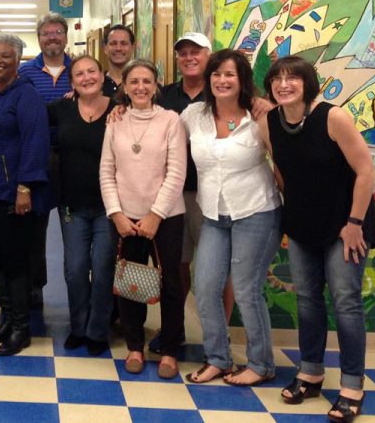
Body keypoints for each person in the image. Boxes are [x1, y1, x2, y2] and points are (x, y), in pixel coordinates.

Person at [258, 56, 375, 422]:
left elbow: (365, 169)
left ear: (308, 82)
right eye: (277, 78)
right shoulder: (270, 123)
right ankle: (310, 373)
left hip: (345, 226)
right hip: (303, 224)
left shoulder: (332, 116)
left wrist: (355, 221)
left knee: (346, 302)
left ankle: (352, 386)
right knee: (308, 300)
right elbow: (282, 169)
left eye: (293, 77)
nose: (284, 84)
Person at [180, 50, 281, 386]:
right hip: (213, 214)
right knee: (205, 287)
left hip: (256, 212)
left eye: (229, 74)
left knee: (246, 289)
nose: (222, 81)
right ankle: (219, 359)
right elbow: (158, 130)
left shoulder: (260, 116)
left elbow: (281, 165)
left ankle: (261, 363)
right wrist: (121, 106)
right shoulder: (194, 114)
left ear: (242, 80)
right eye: (216, 74)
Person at [100, 59, 187, 379]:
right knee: (129, 284)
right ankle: (135, 345)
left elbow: (177, 172)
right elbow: (106, 171)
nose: (140, 87)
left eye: (146, 81)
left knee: (172, 285)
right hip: (125, 216)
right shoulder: (115, 121)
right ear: (123, 86)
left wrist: (155, 215)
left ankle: (170, 349)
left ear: (156, 85)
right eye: (134, 82)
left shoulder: (171, 121)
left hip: (165, 217)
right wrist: (116, 214)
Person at [0, 34, 51, 356]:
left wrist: (24, 187)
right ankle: (6, 320)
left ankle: (21, 327)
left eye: (7, 56)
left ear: (19, 61)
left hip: (12, 193)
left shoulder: (26, 96)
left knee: (16, 262)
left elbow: (36, 142)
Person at [156, 32, 232, 352]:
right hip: (173, 192)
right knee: (176, 265)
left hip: (213, 194)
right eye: (183, 52)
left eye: (195, 52)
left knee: (218, 269)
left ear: (208, 56)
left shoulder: (222, 93)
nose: (188, 57)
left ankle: (220, 338)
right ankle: (174, 329)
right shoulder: (165, 95)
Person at [47, 54, 115, 355]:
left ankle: (97, 331)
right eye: (79, 74)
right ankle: (78, 326)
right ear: (71, 82)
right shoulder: (61, 108)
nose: (86, 78)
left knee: (102, 270)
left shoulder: (119, 110)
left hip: (110, 207)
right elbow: (28, 122)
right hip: (72, 205)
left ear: (102, 76)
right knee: (75, 269)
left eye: (91, 72)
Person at [18, 12, 72, 309]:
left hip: (74, 158)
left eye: (57, 33)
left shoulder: (81, 70)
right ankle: (34, 287)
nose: (52, 38)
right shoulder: (26, 73)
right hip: (38, 156)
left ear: (65, 36)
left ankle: (79, 287)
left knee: (74, 227)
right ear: (39, 39)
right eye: (46, 33)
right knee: (34, 228)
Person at [102, 24, 135, 97]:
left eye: (124, 43)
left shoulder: (145, 84)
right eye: (113, 44)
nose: (118, 48)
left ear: (132, 47)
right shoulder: (96, 84)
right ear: (105, 48)